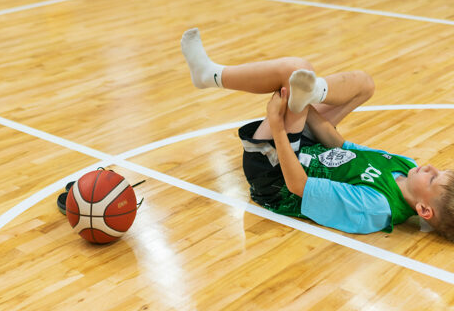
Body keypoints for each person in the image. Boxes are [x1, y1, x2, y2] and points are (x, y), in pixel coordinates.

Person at [181, 28, 454, 239]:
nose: (428, 167)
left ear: (423, 211)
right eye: (438, 170)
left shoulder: (375, 207)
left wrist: (278, 125)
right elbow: (340, 145)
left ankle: (210, 75)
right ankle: (310, 91)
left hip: (276, 176)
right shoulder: (406, 167)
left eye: (432, 179)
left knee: (295, 69)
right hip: (308, 151)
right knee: (364, 85)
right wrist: (304, 103)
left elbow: (298, 186)